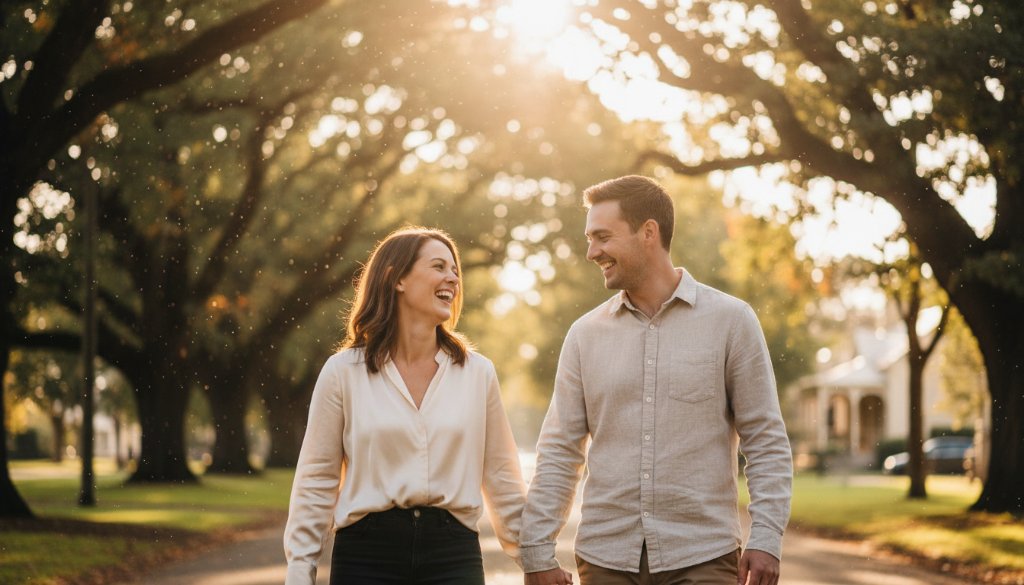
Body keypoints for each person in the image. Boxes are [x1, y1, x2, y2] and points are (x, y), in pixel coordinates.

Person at [519, 176, 793, 585]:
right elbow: (560, 450)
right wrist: (536, 552)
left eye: (602, 237)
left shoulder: (731, 321)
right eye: (590, 239)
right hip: (606, 558)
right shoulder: (584, 335)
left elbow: (765, 439)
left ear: (649, 232)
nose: (592, 252)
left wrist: (767, 537)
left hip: (703, 556)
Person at [283, 227, 556, 585]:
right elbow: (316, 479)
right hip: (366, 556)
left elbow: (503, 476)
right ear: (396, 278)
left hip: (453, 554)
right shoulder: (343, 372)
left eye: (455, 270)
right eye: (439, 266)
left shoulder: (477, 373)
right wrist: (300, 572)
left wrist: (534, 560)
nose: (453, 279)